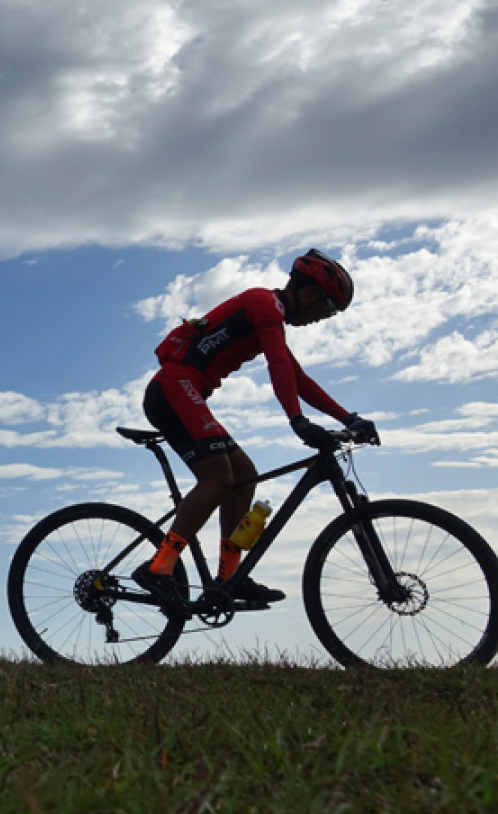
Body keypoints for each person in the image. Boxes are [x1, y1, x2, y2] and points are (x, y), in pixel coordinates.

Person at [133, 249, 379, 606]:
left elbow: (298, 378)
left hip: (185, 391)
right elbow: (278, 364)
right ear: (310, 295)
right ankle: (158, 567)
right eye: (326, 310)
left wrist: (348, 419)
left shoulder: (271, 316)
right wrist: (296, 419)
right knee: (218, 479)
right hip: (173, 388)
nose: (320, 319)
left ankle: (229, 577)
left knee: (244, 476)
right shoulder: (265, 303)